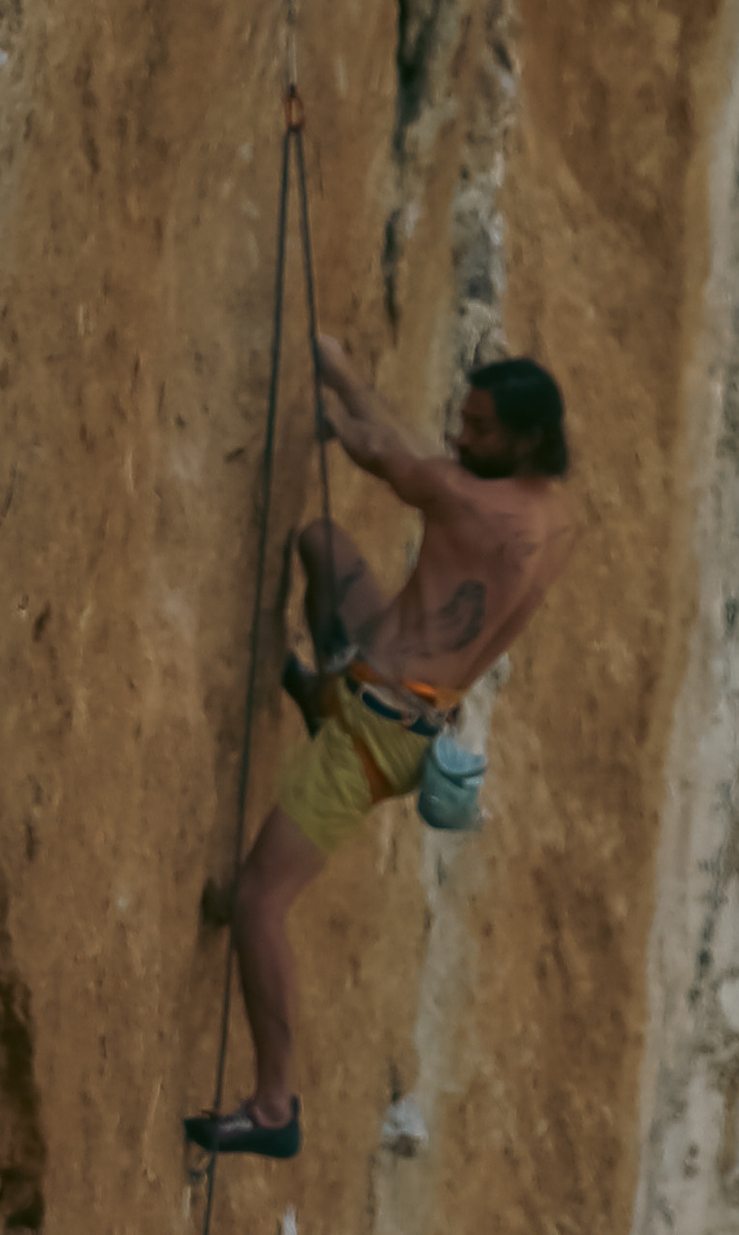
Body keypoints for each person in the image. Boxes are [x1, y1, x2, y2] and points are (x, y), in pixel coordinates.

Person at [183, 342, 575, 1161]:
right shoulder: (549, 517)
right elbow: (422, 458)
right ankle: (319, 696)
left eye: (480, 429)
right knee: (324, 547)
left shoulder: (469, 503)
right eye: (464, 421)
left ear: (527, 439)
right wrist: (335, 372)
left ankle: (274, 1105)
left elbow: (384, 453)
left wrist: (334, 392)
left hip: (375, 736)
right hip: (402, 706)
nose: (462, 436)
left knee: (259, 900)